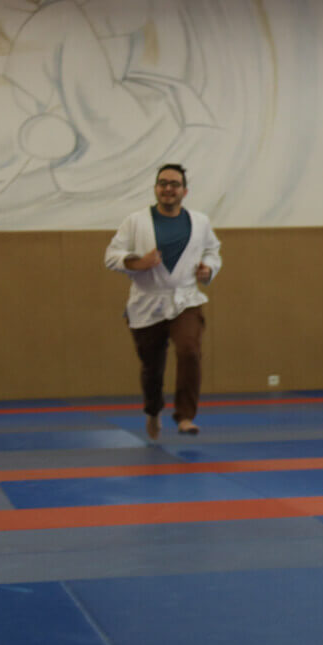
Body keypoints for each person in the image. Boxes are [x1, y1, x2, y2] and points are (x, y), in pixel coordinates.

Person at [105, 164, 222, 439]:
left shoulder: (200, 222)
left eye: (174, 184)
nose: (168, 188)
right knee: (152, 366)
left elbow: (213, 252)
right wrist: (138, 262)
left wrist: (208, 268)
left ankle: (185, 417)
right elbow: (111, 256)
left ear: (184, 191)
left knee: (189, 351)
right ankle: (153, 410)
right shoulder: (135, 221)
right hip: (147, 302)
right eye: (163, 183)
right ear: (156, 188)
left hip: (185, 299)